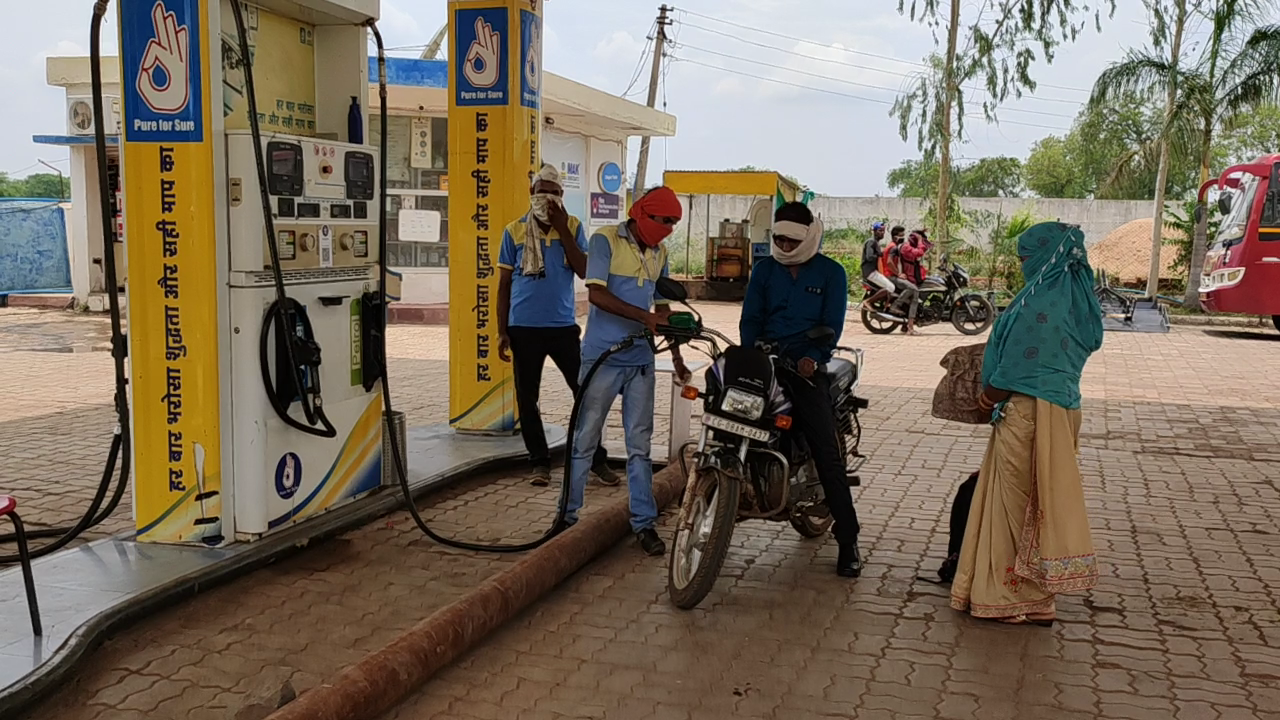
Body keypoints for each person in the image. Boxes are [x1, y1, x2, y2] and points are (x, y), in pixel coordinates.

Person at [950, 222, 1105, 626]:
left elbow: (1016, 366)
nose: (1023, 267)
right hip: (1064, 409)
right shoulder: (1078, 297)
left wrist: (987, 398)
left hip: (1027, 413)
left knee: (1011, 505)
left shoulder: (1038, 304)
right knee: (1042, 505)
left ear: (1044, 257)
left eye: (1025, 259)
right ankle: (1039, 598)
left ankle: (1004, 598)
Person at [565, 186, 689, 556]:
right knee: (585, 439)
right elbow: (597, 294)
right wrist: (644, 318)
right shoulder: (606, 240)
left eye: (672, 223)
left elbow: (662, 309)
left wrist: (678, 354)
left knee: (640, 446)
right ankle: (566, 518)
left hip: (640, 362)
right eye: (662, 220)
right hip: (602, 356)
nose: (667, 228)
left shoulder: (660, 252)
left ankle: (643, 523)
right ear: (641, 214)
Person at [740, 201, 862, 578]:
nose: (785, 246)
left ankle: (848, 539)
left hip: (806, 369)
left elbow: (832, 324)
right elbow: (750, 319)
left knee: (827, 452)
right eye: (779, 239)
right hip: (764, 364)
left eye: (792, 240)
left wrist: (813, 356)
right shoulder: (763, 272)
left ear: (809, 236)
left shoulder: (831, 273)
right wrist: (749, 356)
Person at [497, 164, 618, 487]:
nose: (547, 197)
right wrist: (501, 331)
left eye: (554, 192)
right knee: (527, 397)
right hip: (523, 328)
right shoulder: (514, 231)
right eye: (542, 191)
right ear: (531, 194)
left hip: (562, 327)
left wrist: (563, 228)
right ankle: (539, 462)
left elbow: (583, 271)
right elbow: (504, 284)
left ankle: (595, 459)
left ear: (562, 196)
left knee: (584, 392)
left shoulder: (574, 226)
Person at [881, 228, 921, 335]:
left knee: (912, 292)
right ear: (895, 237)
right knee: (914, 289)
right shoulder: (893, 247)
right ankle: (896, 306)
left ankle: (906, 325)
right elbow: (889, 262)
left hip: (891, 275)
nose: (903, 237)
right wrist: (898, 274)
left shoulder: (892, 246)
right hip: (891, 277)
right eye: (901, 235)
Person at [860, 221, 895, 309]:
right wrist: (880, 254)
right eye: (880, 230)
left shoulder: (875, 242)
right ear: (874, 231)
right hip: (870, 272)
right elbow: (869, 257)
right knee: (891, 287)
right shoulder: (871, 242)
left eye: (883, 231)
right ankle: (868, 301)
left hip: (872, 271)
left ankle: (887, 304)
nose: (882, 233)